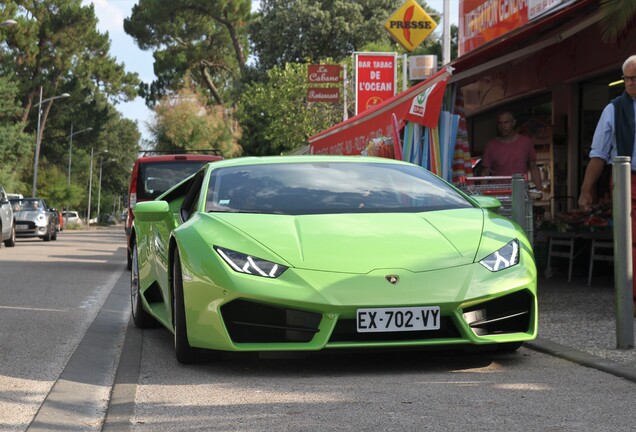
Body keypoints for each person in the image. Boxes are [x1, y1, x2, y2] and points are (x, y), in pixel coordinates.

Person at [579, 55, 636, 313]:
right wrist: (586, 190)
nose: (631, 83)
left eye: (635, 78)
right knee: (630, 239)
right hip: (626, 180)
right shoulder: (613, 108)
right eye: (628, 79)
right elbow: (598, 154)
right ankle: (631, 297)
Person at [481, 110, 544, 191]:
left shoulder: (526, 142)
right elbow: (485, 172)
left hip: (521, 192)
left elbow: (533, 167)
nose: (503, 126)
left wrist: (539, 189)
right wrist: (483, 193)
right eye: (500, 123)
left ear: (513, 123)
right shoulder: (491, 145)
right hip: (499, 194)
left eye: (506, 122)